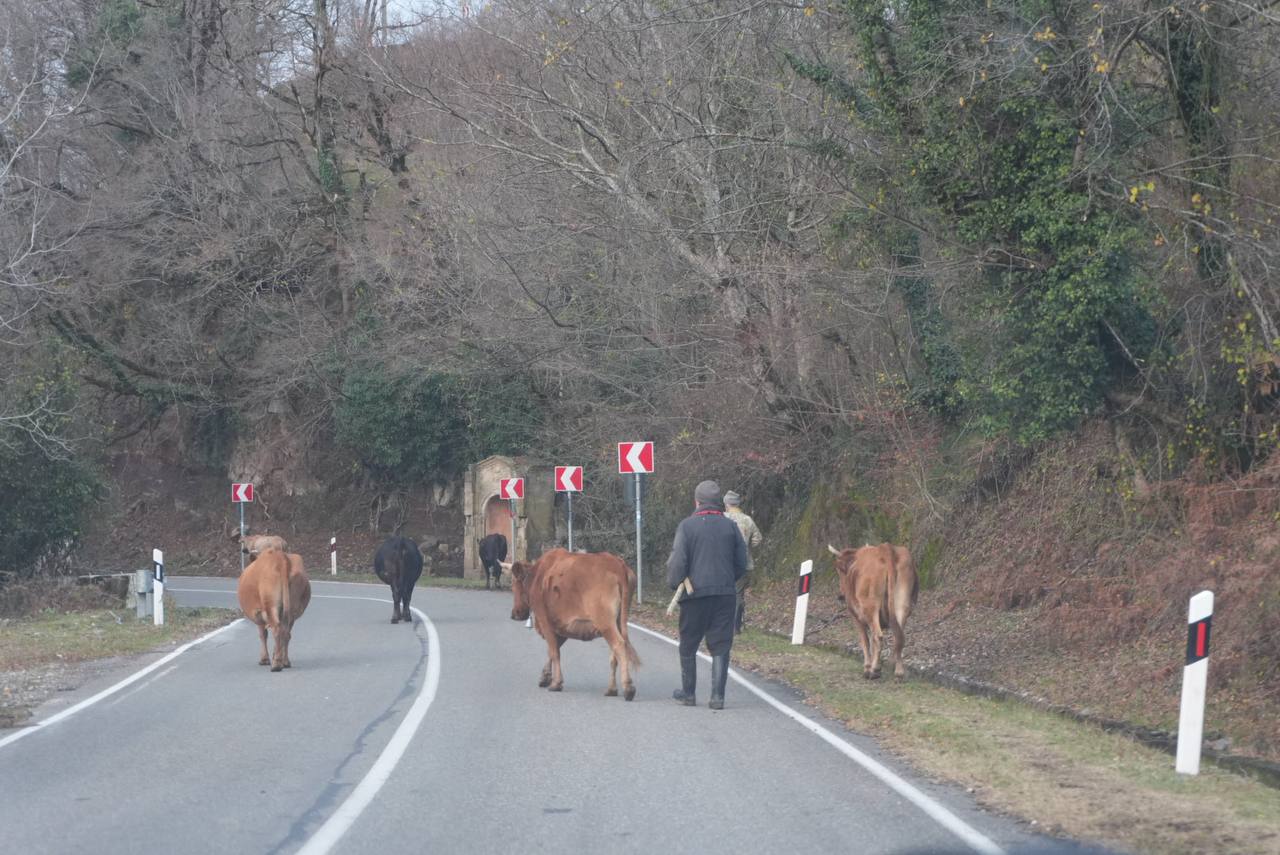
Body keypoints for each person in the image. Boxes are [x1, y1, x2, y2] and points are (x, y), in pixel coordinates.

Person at [666, 480, 748, 710]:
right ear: (719, 502)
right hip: (724, 594)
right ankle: (717, 697)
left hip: (695, 594)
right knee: (721, 644)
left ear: (697, 502)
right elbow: (742, 563)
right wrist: (727, 580)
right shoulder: (731, 527)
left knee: (688, 643)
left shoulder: (687, 526)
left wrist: (674, 583)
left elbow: (678, 561)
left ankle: (689, 694)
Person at [723, 490, 762, 634]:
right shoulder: (747, 520)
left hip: (723, 563)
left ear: (726, 504)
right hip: (743, 563)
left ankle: (722, 623)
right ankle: (736, 627)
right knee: (738, 594)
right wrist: (747, 546)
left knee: (722, 593)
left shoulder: (722, 518)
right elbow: (758, 539)